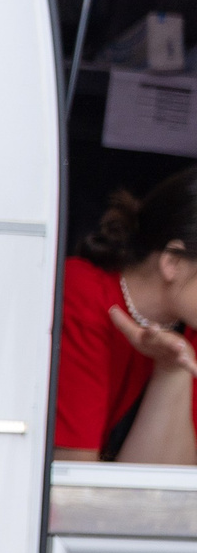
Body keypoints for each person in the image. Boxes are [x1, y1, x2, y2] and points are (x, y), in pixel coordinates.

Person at [55, 167, 197, 464]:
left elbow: (165, 491)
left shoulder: (189, 327)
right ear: (172, 262)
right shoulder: (82, 292)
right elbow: (73, 474)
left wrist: (171, 371)